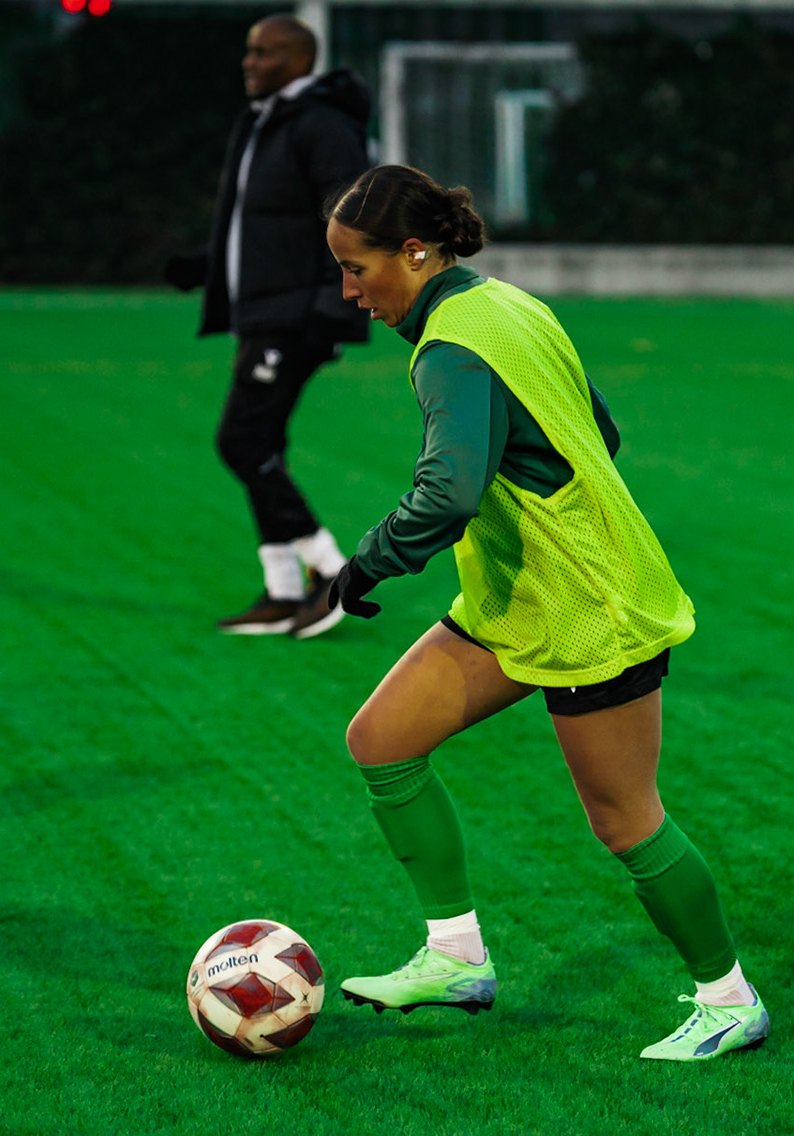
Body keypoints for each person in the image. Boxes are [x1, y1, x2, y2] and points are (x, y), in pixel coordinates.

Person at [318, 164, 770, 1061]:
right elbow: (599, 430)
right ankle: (456, 956)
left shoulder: (451, 345)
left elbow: (446, 492)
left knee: (624, 817)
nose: (349, 291)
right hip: (514, 599)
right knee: (382, 740)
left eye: (357, 268)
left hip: (589, 607)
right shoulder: (509, 305)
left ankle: (729, 999)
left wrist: (367, 562)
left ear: (414, 252)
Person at [166, 13, 370, 638]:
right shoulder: (262, 120)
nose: (249, 62)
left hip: (297, 316)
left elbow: (351, 226)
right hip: (266, 310)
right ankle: (283, 589)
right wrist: (208, 268)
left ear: (300, 60)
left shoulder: (324, 127)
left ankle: (333, 573)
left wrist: (331, 310)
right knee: (263, 446)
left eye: (265, 52)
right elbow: (260, 224)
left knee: (242, 441)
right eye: (248, 51)